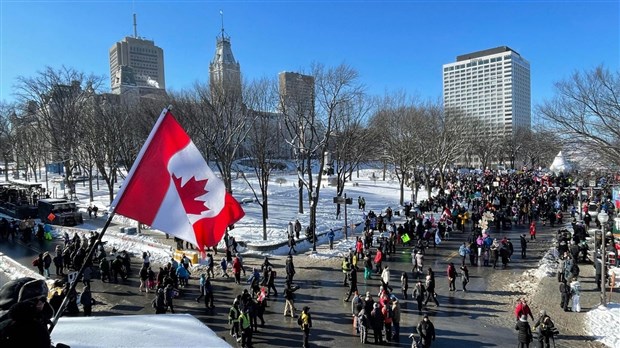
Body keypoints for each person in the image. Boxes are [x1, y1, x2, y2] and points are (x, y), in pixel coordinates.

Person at [0, 277, 54, 347]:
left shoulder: (37, 319)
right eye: (33, 300)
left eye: (43, 299)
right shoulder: (8, 328)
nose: (40, 303)